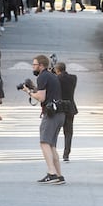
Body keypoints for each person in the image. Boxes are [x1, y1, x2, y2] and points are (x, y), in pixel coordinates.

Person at [21, 55, 66, 184]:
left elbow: (41, 97)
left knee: (44, 142)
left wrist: (27, 91)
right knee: (51, 145)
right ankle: (59, 175)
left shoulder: (43, 76)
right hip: (60, 113)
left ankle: (51, 173)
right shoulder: (52, 76)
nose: (33, 67)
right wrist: (33, 89)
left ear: (41, 65)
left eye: (34, 65)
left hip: (51, 114)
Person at [54, 63, 78, 162]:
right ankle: (66, 153)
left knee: (54, 131)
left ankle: (52, 151)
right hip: (70, 106)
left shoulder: (56, 79)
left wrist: (54, 75)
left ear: (57, 70)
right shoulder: (73, 78)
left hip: (60, 107)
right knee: (68, 132)